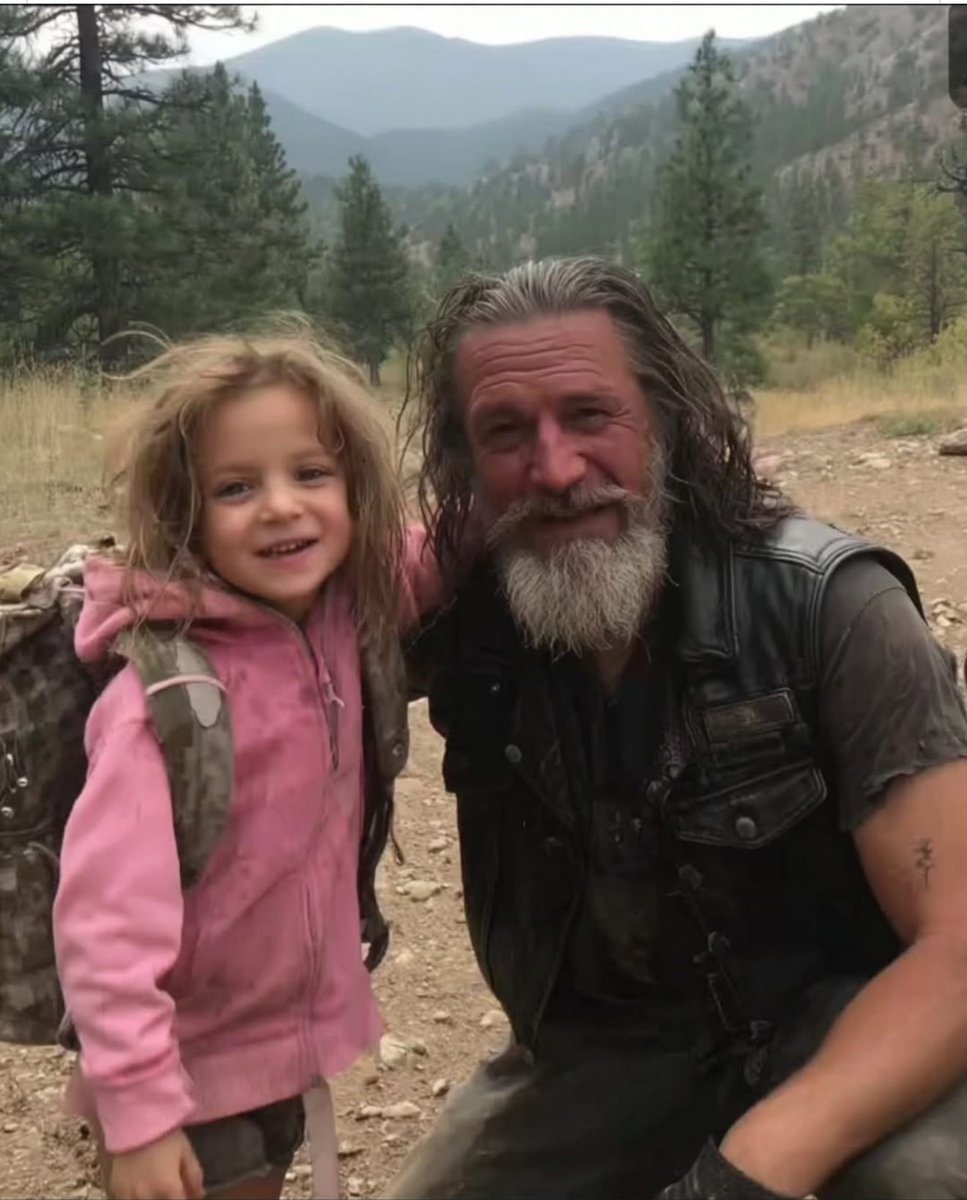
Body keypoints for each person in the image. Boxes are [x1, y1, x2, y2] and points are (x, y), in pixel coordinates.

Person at [391, 257, 967, 1200]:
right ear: (464, 459)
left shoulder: (828, 607)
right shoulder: (466, 620)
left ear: (665, 419)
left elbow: (955, 949)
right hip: (607, 1057)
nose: (555, 470)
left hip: (847, 1028)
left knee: (920, 1181)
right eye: (506, 432)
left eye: (590, 416)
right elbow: (260, 667)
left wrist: (744, 1171)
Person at [52, 329, 438, 1200]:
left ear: (355, 490)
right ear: (184, 515)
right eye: (235, 487)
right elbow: (104, 929)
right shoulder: (161, 701)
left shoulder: (341, 614)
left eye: (311, 473)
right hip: (182, 1070)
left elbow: (440, 551)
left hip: (274, 1044)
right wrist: (140, 1114)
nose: (280, 507)